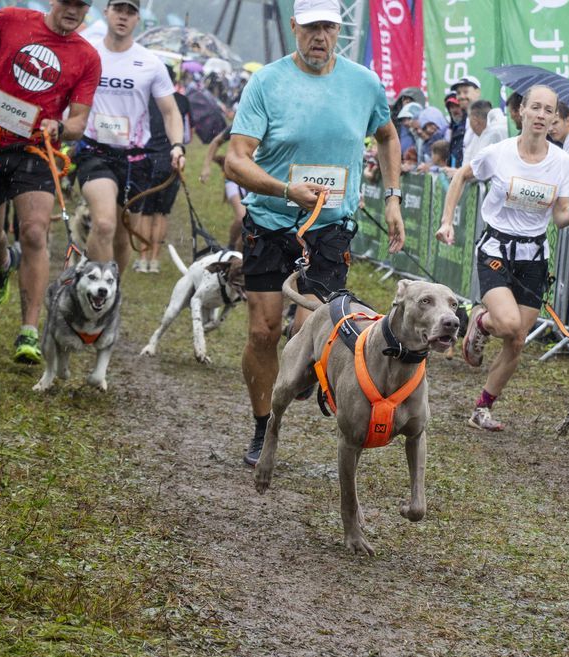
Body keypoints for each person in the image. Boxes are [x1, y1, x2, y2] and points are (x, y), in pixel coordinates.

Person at [224, 0, 404, 466]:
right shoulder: (266, 82)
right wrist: (286, 189)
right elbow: (236, 158)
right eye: (310, 28)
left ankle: (301, 373)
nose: (319, 36)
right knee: (263, 332)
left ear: (339, 29)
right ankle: (263, 426)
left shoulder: (363, 84)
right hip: (269, 222)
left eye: (328, 26)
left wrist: (392, 198)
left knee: (309, 339)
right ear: (294, 28)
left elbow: (386, 136)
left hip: (330, 229)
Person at [435, 85, 569, 432]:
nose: (540, 115)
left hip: (534, 256)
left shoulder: (562, 162)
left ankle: (482, 408)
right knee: (506, 324)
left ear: (555, 118)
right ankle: (479, 321)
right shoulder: (499, 153)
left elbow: (560, 217)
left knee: (518, 339)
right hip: (495, 250)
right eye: (534, 107)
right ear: (521, 112)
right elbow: (462, 175)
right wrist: (447, 221)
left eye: (547, 110)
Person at [0, 0, 100, 363]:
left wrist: (61, 126)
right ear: (54, 1)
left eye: (81, 5)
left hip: (35, 151)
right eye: (68, 2)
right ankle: (4, 261)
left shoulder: (86, 56)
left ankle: (29, 331)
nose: (72, 10)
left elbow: (80, 120)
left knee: (35, 232)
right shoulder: (12, 19)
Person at [74, 0, 186, 274]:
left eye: (130, 12)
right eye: (118, 9)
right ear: (106, 11)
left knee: (123, 237)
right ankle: (92, 286)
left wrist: (177, 146)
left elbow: (171, 112)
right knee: (103, 223)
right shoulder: (87, 53)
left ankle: (111, 292)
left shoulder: (151, 63)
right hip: (93, 151)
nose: (123, 17)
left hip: (135, 159)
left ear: (138, 19)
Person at [134, 63, 191, 273]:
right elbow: (186, 136)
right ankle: (155, 260)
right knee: (161, 212)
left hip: (146, 159)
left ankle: (142, 258)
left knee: (145, 212)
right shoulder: (183, 101)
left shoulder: (145, 99)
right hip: (171, 161)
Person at [199, 124, 247, 250]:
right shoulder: (241, 123)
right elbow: (216, 142)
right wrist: (206, 167)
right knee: (242, 217)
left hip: (260, 179)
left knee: (253, 221)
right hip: (234, 178)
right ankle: (230, 248)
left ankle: (241, 253)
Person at [463, 100, 507, 166]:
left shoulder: (490, 135)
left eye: (469, 119)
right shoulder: (504, 126)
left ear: (475, 120)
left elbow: (479, 168)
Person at [451, 75, 481, 165]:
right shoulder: (463, 121)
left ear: (477, 92)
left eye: (465, 92)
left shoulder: (485, 118)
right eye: (458, 93)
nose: (461, 96)